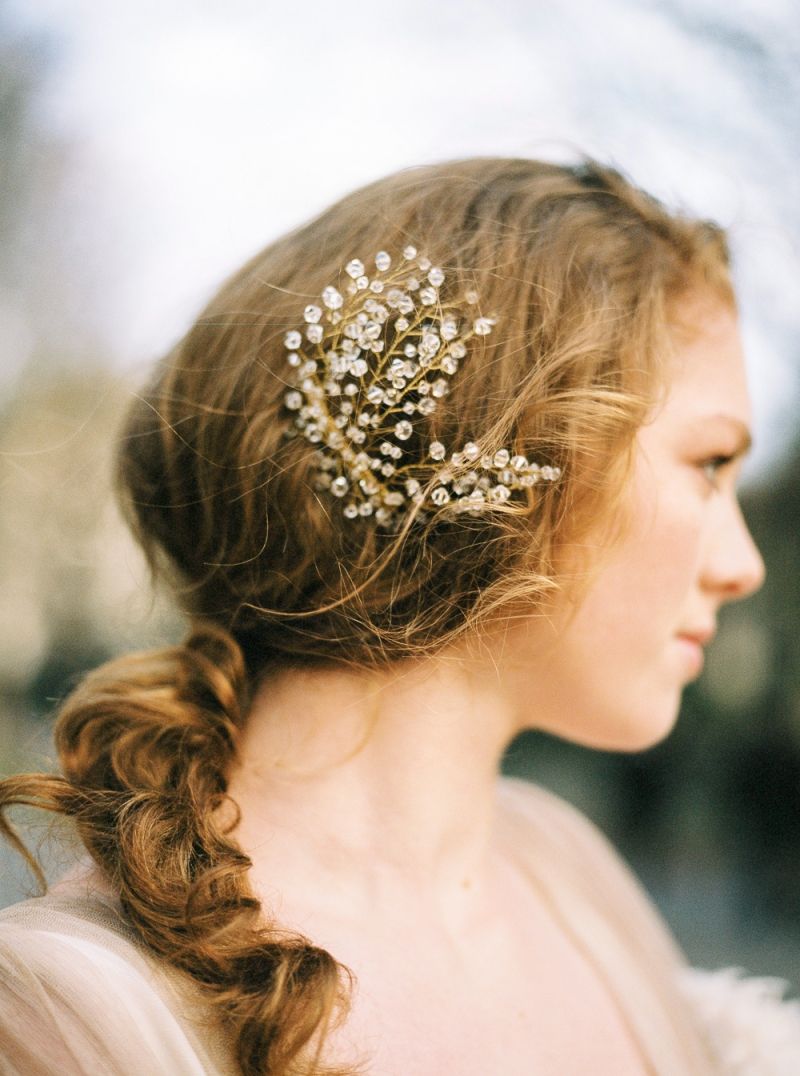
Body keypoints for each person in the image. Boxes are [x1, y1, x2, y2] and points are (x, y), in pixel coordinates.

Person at [0, 157, 798, 1076]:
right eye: (708, 465)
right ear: (523, 450)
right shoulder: (69, 1019)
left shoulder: (574, 874)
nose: (744, 566)